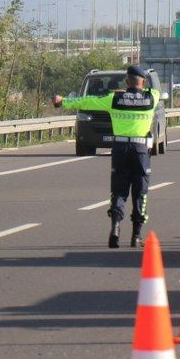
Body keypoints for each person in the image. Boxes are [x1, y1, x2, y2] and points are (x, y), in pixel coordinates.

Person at [53, 65, 158, 248]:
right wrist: (136, 87)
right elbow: (152, 90)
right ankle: (136, 236)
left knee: (118, 191)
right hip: (141, 150)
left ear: (126, 81)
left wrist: (63, 101)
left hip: (119, 149)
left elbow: (86, 101)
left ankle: (116, 228)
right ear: (143, 82)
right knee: (140, 193)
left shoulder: (113, 99)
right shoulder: (151, 98)